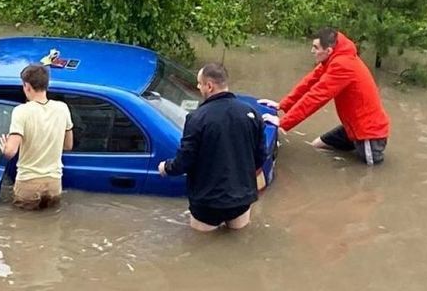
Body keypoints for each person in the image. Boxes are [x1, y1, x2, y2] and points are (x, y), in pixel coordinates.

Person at [158, 63, 265, 232]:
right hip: (242, 199)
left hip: (208, 202)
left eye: (199, 83)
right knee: (239, 242)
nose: (198, 87)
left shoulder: (197, 118)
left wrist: (167, 167)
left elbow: (186, 159)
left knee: (200, 247)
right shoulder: (251, 113)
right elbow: (260, 156)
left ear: (209, 86)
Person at [260, 27, 390, 165]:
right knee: (317, 145)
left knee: (369, 176)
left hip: (369, 135)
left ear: (328, 51)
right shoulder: (335, 57)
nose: (312, 51)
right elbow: (310, 81)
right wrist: (283, 105)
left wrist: (283, 122)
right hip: (351, 126)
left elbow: (316, 97)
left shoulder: (342, 65)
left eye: (316, 48)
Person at [0, 64, 73, 210]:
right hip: (54, 183)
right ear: (46, 85)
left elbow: (10, 152)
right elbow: (68, 146)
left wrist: (4, 147)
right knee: (52, 225)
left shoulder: (21, 111)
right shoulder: (62, 109)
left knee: (22, 226)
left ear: (27, 86)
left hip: (28, 183)